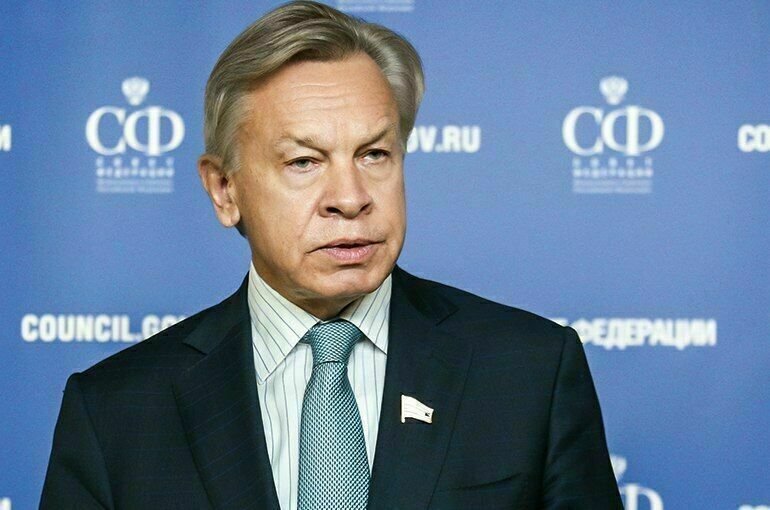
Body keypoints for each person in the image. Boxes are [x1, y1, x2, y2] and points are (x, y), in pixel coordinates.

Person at [39, 1, 623, 508]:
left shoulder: (530, 373)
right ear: (224, 189)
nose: (350, 197)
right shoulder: (115, 413)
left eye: (374, 154)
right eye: (304, 161)